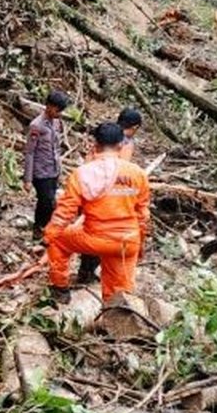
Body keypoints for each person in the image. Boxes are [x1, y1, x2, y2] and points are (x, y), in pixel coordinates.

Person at [44, 122, 151, 303]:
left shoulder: (82, 173)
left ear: (95, 144)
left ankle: (60, 289)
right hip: (128, 241)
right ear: (121, 145)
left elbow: (65, 213)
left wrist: (48, 236)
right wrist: (140, 244)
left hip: (96, 239)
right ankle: (116, 319)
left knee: (58, 241)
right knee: (120, 291)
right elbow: (143, 215)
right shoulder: (138, 174)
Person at [79, 106, 145, 282]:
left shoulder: (104, 137)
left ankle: (86, 270)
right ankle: (88, 271)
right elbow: (119, 172)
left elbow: (87, 163)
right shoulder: (125, 143)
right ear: (134, 127)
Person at [24, 91, 70, 242]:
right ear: (49, 107)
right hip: (40, 172)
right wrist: (28, 179)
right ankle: (38, 228)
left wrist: (60, 170)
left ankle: (46, 230)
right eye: (58, 110)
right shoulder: (36, 126)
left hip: (53, 169)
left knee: (50, 203)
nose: (59, 114)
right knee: (47, 201)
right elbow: (29, 152)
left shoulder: (56, 122)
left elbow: (56, 148)